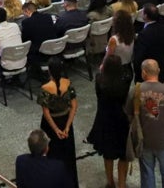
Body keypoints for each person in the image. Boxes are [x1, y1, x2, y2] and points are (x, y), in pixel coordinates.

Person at [130, 59, 164, 188]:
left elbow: (129, 115)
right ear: (158, 71)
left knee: (147, 174)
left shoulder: (135, 92)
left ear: (143, 73)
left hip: (145, 141)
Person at [87, 54, 134, 188]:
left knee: (108, 154)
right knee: (122, 154)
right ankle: (122, 184)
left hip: (104, 119)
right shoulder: (125, 80)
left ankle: (110, 182)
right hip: (121, 119)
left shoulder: (100, 81)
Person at [37, 58, 79, 187]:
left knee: (52, 155)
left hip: (51, 125)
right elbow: (73, 106)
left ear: (49, 71)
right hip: (65, 120)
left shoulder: (45, 88)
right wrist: (66, 127)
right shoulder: (68, 84)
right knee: (68, 155)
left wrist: (55, 130)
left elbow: (46, 112)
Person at [133, 4, 164, 82]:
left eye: (142, 12)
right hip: (160, 65)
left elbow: (139, 56)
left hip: (148, 71)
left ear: (146, 16)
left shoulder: (144, 34)